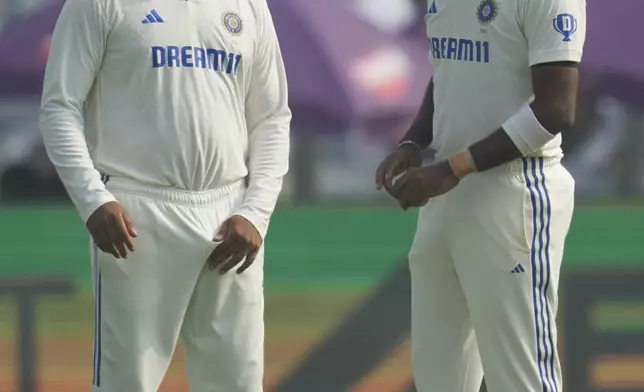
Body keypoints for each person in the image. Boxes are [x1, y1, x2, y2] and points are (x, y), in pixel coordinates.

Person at [39, 0, 290, 390]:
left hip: (230, 213)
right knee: (127, 383)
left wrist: (256, 212)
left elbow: (271, 117)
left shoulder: (247, 4)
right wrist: (94, 199)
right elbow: (59, 107)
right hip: (137, 212)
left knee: (236, 383)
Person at [375, 0, 585, 390]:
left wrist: (452, 168)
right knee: (440, 379)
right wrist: (413, 140)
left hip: (515, 189)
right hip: (446, 191)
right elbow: (449, 70)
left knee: (521, 378)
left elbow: (557, 109)